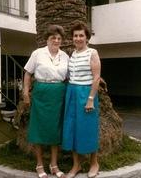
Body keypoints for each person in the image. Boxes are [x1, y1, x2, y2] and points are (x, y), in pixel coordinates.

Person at [23, 25, 69, 178]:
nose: (56, 40)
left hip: (58, 95)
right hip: (41, 94)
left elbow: (71, 76)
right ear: (47, 39)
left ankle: (54, 165)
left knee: (55, 130)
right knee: (39, 129)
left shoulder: (65, 56)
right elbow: (28, 74)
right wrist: (26, 94)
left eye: (58, 38)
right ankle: (39, 164)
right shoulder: (37, 53)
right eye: (53, 38)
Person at [62, 21, 101, 178]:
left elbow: (97, 77)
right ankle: (76, 165)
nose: (78, 38)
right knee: (72, 129)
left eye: (81, 35)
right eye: (75, 35)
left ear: (87, 38)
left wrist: (91, 99)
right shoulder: (73, 54)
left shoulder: (93, 53)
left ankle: (94, 163)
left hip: (86, 93)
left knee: (88, 128)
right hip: (71, 93)